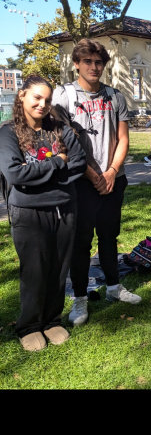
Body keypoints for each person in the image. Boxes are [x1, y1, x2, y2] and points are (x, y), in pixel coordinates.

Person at [52, 39, 142, 326]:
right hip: (80, 182)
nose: (94, 67)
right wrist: (93, 175)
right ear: (76, 64)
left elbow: (123, 138)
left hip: (114, 180)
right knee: (81, 242)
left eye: (99, 62)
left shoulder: (115, 96)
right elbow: (63, 143)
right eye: (88, 61)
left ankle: (114, 287)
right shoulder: (63, 96)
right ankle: (80, 298)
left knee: (108, 236)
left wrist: (112, 171)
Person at [0, 75, 87, 351]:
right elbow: (15, 173)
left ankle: (51, 320)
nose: (42, 104)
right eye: (37, 97)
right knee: (34, 271)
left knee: (59, 268)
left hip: (64, 209)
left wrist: (38, 176)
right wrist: (57, 163)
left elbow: (79, 163)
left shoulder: (59, 129)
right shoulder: (8, 133)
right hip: (28, 212)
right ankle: (29, 326)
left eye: (47, 100)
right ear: (22, 95)